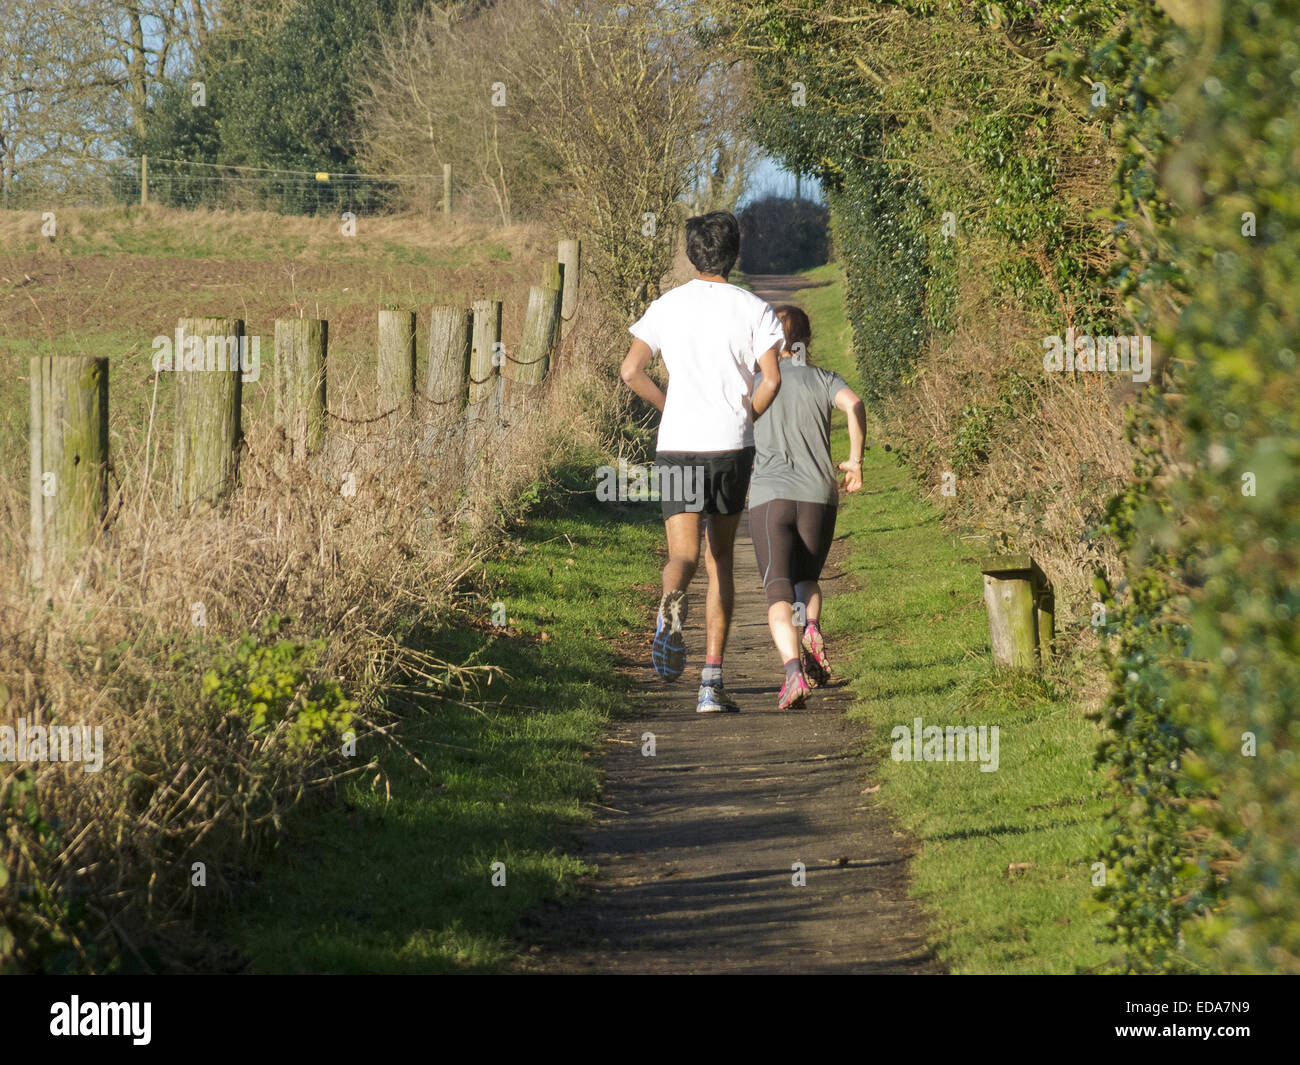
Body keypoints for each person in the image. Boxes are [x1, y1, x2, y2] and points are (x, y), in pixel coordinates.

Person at [619, 211, 785, 713]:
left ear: (692, 253)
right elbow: (772, 380)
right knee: (720, 562)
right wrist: (746, 417)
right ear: (734, 253)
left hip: (678, 445)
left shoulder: (667, 307)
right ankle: (711, 685)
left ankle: (669, 611)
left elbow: (631, 370)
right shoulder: (754, 310)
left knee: (683, 557)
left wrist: (671, 408)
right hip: (730, 447)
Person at [749, 304, 866, 710]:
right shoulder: (823, 379)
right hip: (818, 496)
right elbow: (854, 405)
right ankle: (811, 627)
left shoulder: (758, 383)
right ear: (808, 340)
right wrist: (855, 461)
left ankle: (793, 674)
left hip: (770, 498)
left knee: (777, 587)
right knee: (806, 578)